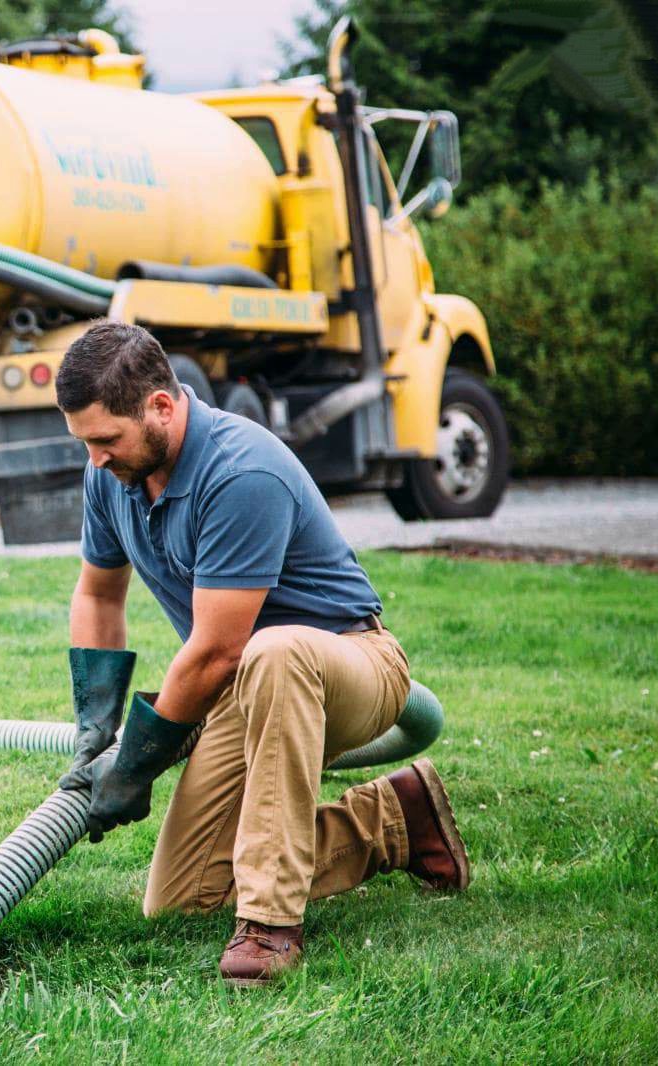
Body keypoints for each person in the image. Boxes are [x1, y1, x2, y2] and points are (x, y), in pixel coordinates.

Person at [54, 320, 470, 987]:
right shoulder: (111, 473)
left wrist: (137, 764)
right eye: (85, 442)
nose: (95, 458)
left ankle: (271, 925)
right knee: (182, 900)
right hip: (245, 689)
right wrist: (96, 727)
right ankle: (394, 819)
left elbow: (218, 650)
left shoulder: (241, 470)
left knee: (272, 651)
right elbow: (99, 597)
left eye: (106, 439)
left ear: (162, 405)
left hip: (347, 664)